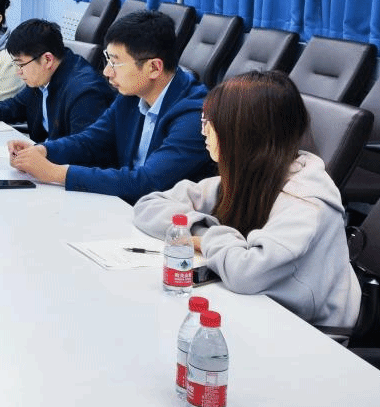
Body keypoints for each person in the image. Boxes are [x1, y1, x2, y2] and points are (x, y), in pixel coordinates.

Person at [133, 71, 361, 328]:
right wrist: (197, 228)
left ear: (242, 132)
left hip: (313, 333)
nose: (204, 132)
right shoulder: (249, 176)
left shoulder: (306, 203)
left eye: (210, 122)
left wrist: (206, 239)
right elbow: (148, 206)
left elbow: (246, 272)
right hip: (258, 312)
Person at [8, 10, 213, 201]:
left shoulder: (194, 115)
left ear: (153, 67)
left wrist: (55, 173)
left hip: (167, 217)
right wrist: (43, 150)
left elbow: (148, 181)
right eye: (108, 60)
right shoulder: (131, 96)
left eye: (115, 63)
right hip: (125, 206)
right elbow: (91, 140)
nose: (107, 71)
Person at [0, 19, 115, 143]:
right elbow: (18, 104)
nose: (18, 72)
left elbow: (83, 149)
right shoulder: (44, 77)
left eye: (21, 64)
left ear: (47, 59)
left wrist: (40, 153)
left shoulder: (85, 93)